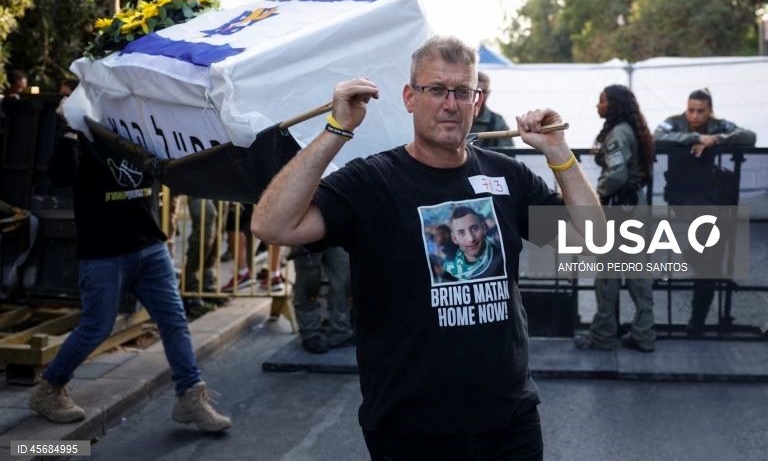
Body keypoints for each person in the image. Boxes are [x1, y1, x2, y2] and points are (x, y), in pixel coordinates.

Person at [252, 35, 603, 460]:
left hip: (508, 421)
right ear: (409, 97)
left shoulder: (508, 176)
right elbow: (272, 225)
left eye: (462, 92)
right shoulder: (373, 181)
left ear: (477, 101)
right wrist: (337, 129)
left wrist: (559, 153)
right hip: (409, 429)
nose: (450, 104)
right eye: (436, 89)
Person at [29, 108, 231, 431]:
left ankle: (190, 395)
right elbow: (60, 177)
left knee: (174, 319)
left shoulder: (141, 121)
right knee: (96, 327)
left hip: (149, 245)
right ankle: (48, 389)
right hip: (104, 252)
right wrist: (69, 129)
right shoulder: (84, 125)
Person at [654, 88, 756, 335]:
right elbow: (657, 137)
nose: (695, 116)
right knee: (708, 255)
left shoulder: (718, 125)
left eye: (701, 111)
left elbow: (748, 136)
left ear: (710, 111)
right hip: (683, 197)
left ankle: (697, 320)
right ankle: (695, 263)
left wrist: (716, 140)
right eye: (691, 110)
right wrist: (695, 140)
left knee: (710, 258)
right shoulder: (675, 123)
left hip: (711, 197)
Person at [574, 84, 656, 353]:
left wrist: (595, 195)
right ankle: (643, 334)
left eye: (602, 101)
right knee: (637, 273)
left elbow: (617, 174)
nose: (598, 106)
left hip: (619, 209)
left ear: (614, 105)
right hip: (633, 206)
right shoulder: (630, 129)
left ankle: (603, 335)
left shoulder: (617, 134)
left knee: (607, 276)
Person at [291, 245, 355, 354]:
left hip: (337, 231)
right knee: (310, 282)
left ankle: (340, 329)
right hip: (305, 232)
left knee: (344, 278)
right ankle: (310, 331)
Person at [443, 205, 504, 281]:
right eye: (461, 233)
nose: (471, 239)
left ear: (484, 228)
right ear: (454, 239)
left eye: (474, 229)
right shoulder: (449, 270)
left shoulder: (502, 260)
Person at [469, 71, 514, 149]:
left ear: (489, 93)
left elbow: (508, 155)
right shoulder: (453, 116)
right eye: (476, 92)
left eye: (484, 92)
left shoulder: (497, 122)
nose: (479, 96)